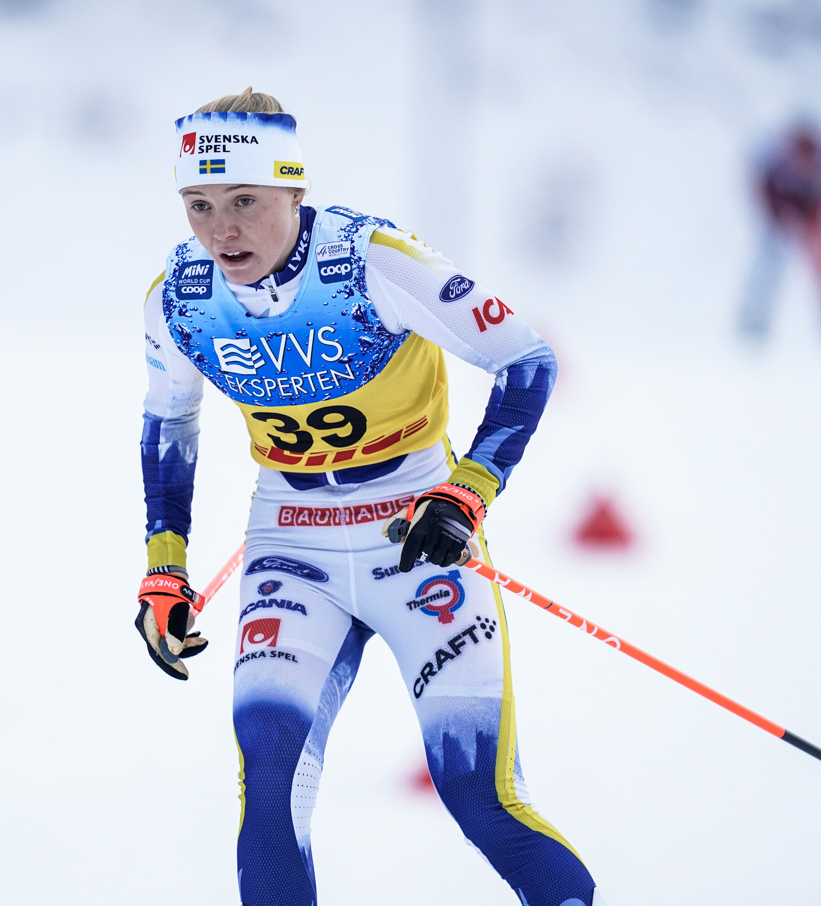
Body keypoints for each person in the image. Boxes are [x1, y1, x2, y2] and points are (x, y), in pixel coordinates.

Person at [135, 88, 602, 906]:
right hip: (292, 541)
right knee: (269, 792)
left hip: (414, 530)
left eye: (244, 201)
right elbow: (169, 425)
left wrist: (467, 494)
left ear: (294, 191)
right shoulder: (181, 297)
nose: (221, 230)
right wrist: (164, 570)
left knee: (480, 796)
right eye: (199, 205)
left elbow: (527, 361)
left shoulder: (369, 263)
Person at [738, 121, 821, 343]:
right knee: (769, 262)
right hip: (780, 210)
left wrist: (818, 224)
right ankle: (754, 317)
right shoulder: (774, 163)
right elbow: (761, 188)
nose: (804, 165)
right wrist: (778, 217)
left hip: (814, 212)